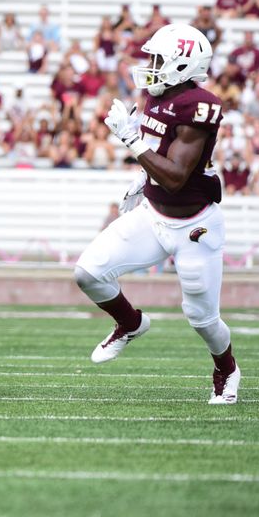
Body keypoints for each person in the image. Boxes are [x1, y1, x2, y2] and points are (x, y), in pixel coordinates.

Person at [76, 23, 241, 404]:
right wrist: (140, 178)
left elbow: (176, 177)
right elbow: (159, 152)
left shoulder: (199, 106)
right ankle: (130, 323)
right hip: (154, 215)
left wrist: (129, 140)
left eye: (158, 59)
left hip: (194, 226)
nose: (150, 65)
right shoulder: (160, 95)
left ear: (183, 65)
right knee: (88, 273)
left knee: (202, 319)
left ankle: (227, 369)